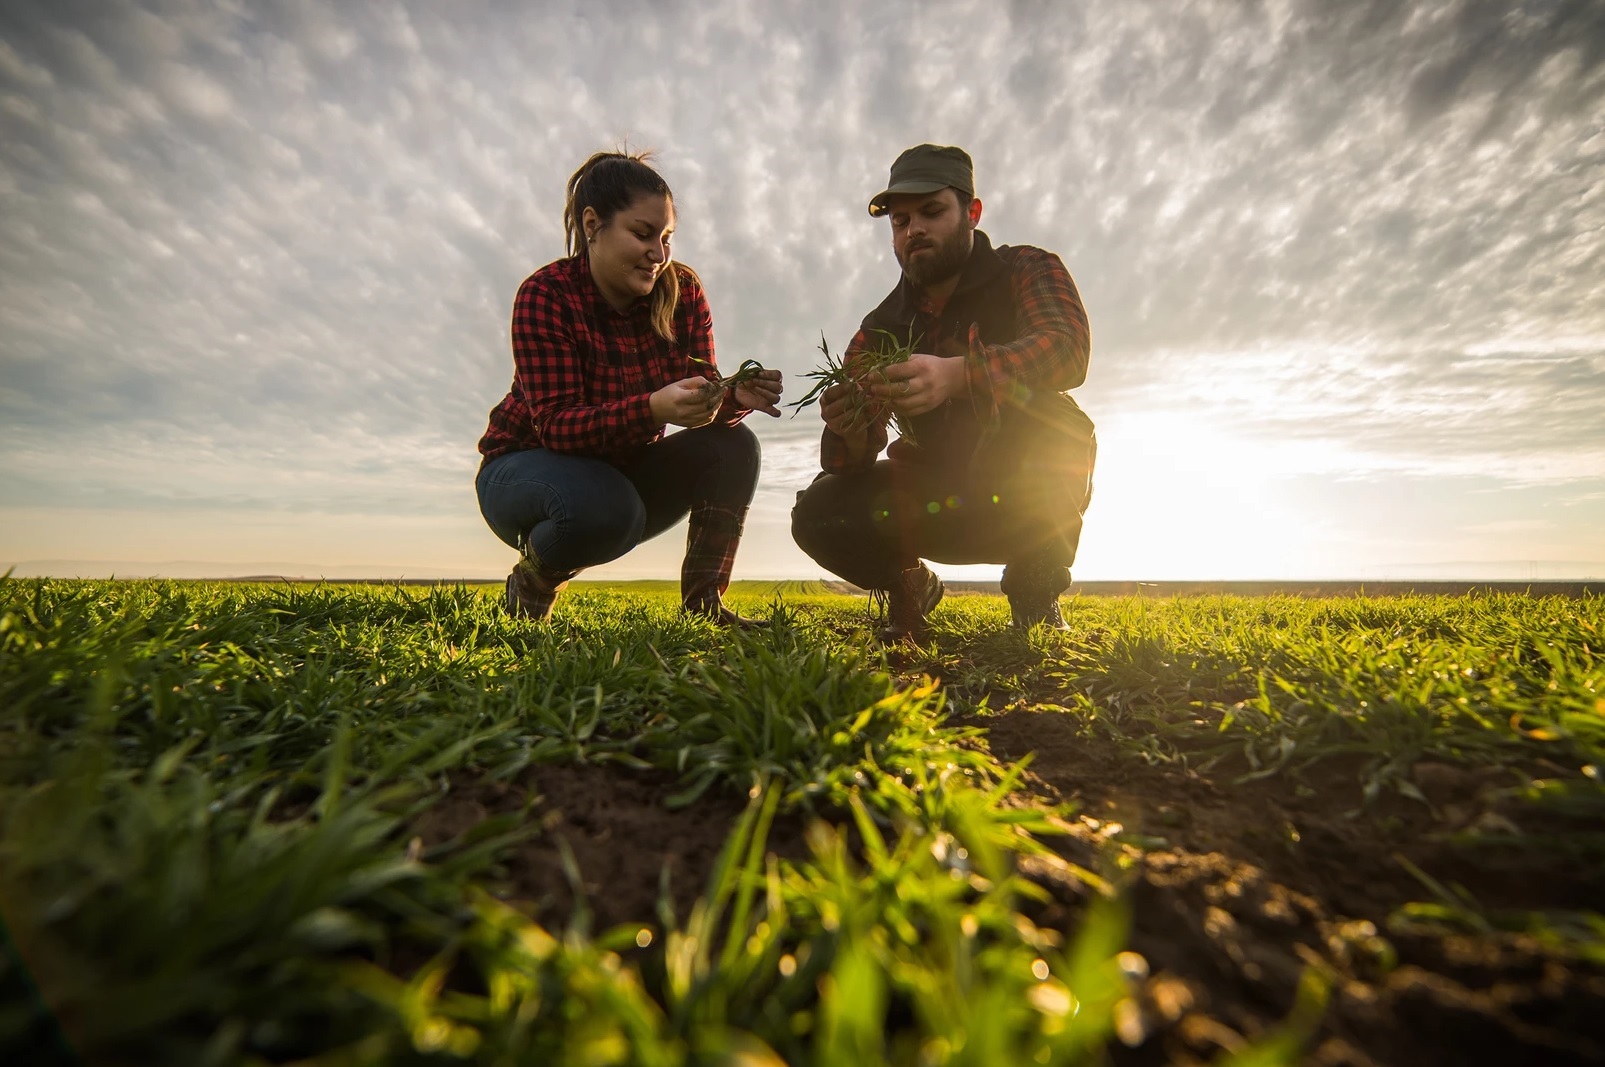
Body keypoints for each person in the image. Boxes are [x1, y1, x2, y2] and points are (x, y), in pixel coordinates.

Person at [791, 144, 1095, 642]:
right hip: (931, 497)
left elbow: (1067, 349)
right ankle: (909, 586)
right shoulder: (880, 326)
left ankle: (1036, 595)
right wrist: (847, 425)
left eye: (932, 212)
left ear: (971, 212)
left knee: (1061, 427)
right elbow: (851, 463)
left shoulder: (1026, 268)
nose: (914, 230)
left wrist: (961, 375)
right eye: (900, 220)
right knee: (819, 510)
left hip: (1026, 493)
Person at [476, 150, 784, 625]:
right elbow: (557, 426)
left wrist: (729, 398)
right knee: (604, 507)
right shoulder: (546, 294)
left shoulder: (683, 292)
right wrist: (653, 410)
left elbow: (698, 396)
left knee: (734, 445)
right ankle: (533, 581)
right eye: (642, 235)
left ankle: (705, 607)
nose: (659, 255)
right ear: (593, 224)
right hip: (523, 470)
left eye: (666, 238)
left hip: (620, 474)